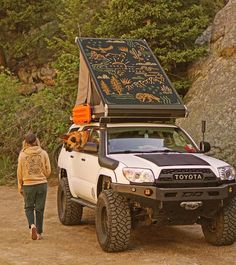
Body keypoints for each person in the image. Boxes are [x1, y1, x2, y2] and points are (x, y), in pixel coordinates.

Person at [17, 133, 51, 240]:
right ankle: (39, 233)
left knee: (28, 207)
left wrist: (20, 186)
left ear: (26, 142)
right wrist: (42, 176)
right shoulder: (43, 153)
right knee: (40, 209)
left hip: (28, 185)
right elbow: (48, 170)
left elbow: (20, 172)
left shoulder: (22, 155)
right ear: (36, 141)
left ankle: (32, 225)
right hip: (41, 184)